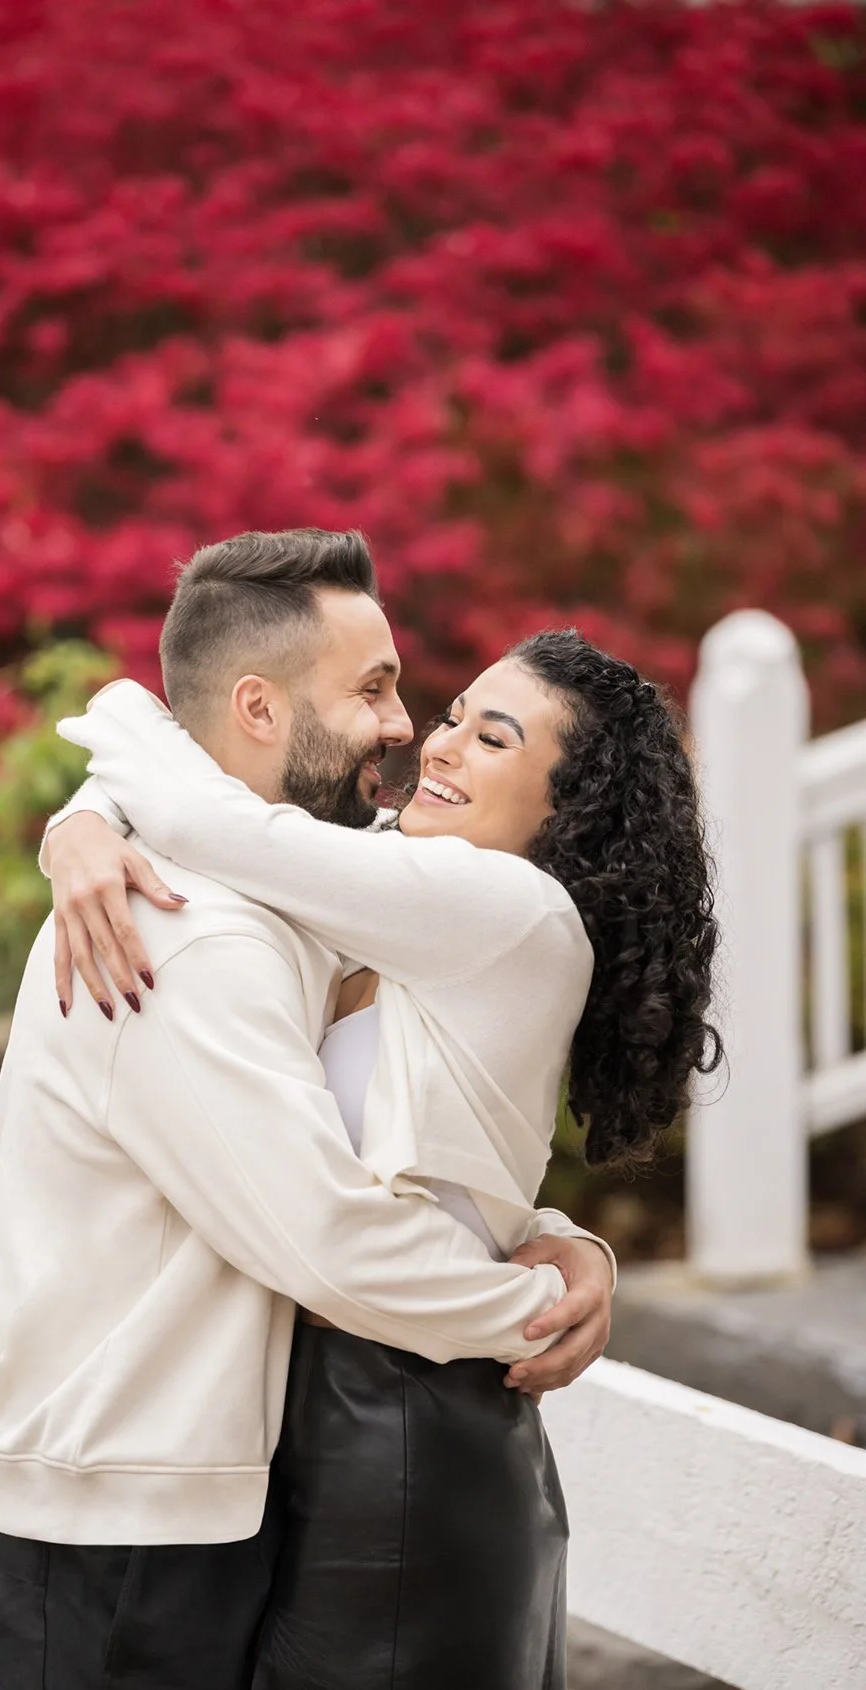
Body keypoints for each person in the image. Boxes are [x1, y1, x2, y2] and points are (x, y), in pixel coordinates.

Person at [44, 576, 721, 1689]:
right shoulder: (395, 891)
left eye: (492, 738)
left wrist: (95, 780)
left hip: (408, 1422)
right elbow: (207, 807)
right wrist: (78, 828)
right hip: (337, 1406)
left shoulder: (513, 911)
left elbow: (199, 812)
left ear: (570, 803)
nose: (439, 744)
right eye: (452, 715)